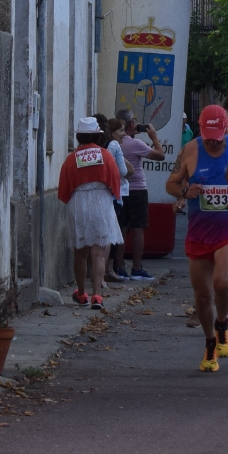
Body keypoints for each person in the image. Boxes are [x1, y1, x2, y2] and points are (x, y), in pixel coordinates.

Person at [167, 104, 228, 372]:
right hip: (199, 231)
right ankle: (210, 343)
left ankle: (222, 323)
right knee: (202, 296)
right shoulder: (190, 150)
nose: (212, 142)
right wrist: (184, 192)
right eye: (208, 136)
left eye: (217, 136)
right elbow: (171, 183)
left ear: (226, 129)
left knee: (222, 281)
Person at [57, 117, 123, 310]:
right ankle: (97, 295)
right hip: (101, 202)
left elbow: (63, 188)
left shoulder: (72, 158)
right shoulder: (106, 155)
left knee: (80, 253)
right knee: (99, 253)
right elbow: (116, 181)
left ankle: (81, 293)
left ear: (79, 136)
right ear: (97, 135)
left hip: (79, 203)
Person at [118, 118, 165, 280]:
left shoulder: (114, 143)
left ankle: (119, 267)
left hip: (120, 189)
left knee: (121, 228)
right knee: (138, 228)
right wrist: (154, 138)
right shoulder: (135, 144)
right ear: (131, 124)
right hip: (137, 189)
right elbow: (160, 155)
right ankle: (137, 268)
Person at [105, 119, 132, 281]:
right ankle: (110, 268)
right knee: (115, 232)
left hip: (104, 193)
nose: (124, 134)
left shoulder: (103, 145)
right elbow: (123, 171)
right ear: (112, 132)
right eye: (121, 130)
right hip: (117, 192)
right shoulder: (114, 146)